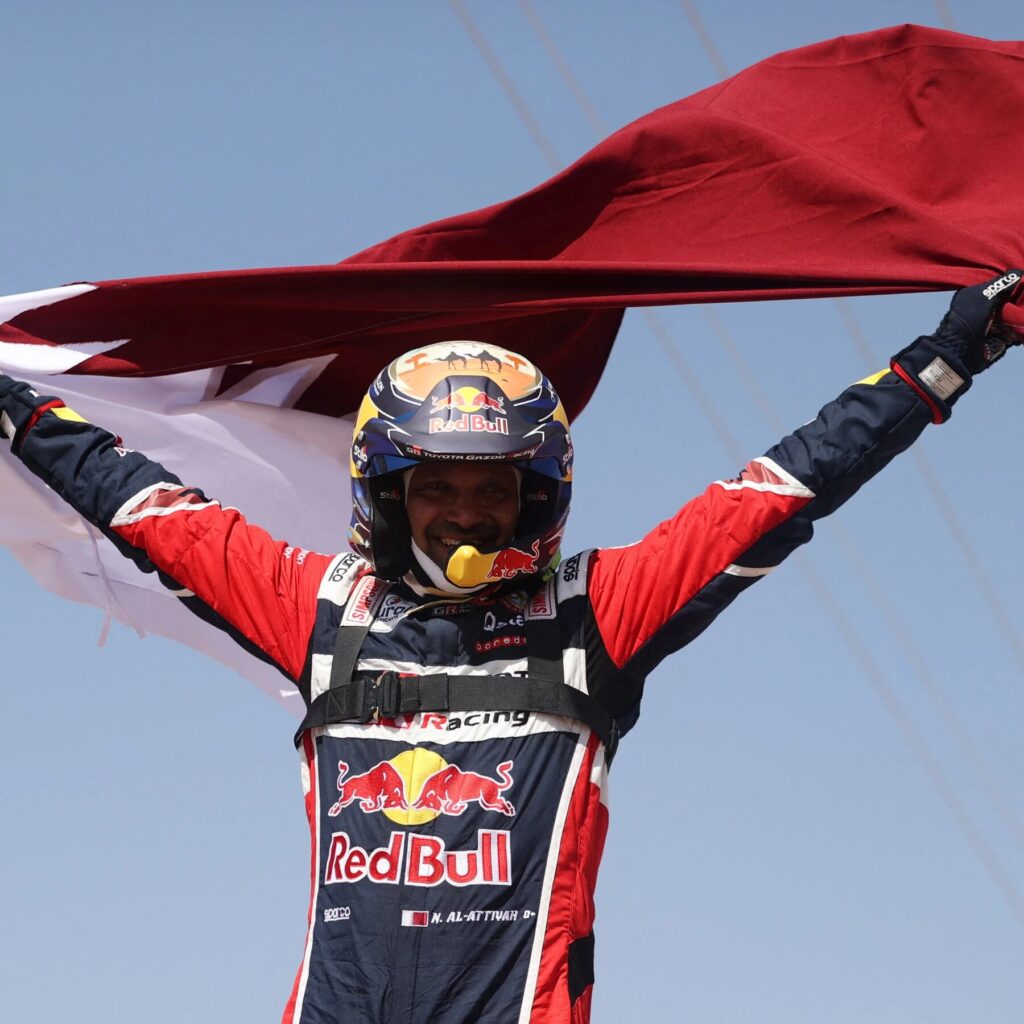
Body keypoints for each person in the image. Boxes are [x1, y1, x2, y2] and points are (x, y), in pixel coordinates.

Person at [0, 270, 1020, 1023]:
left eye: (494, 486)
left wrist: (946, 357)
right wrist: (12, 403)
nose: (465, 512)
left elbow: (787, 486)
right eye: (436, 485)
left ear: (537, 495)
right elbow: (138, 501)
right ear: (386, 496)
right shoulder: (319, 609)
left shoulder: (600, 611)